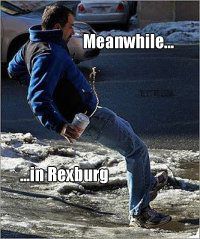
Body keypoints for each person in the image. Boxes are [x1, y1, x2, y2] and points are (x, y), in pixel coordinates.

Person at [8, 4, 172, 228]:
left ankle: (146, 183)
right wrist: (60, 126)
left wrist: (48, 88)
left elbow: (13, 69)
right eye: (70, 26)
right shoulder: (49, 54)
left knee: (129, 132)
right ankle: (140, 212)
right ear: (57, 27)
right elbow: (37, 98)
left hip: (92, 113)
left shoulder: (33, 43)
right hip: (86, 119)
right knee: (136, 150)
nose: (73, 31)